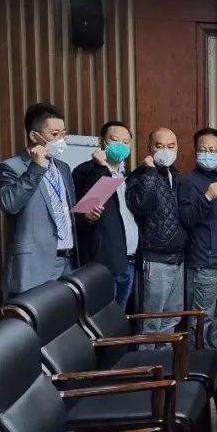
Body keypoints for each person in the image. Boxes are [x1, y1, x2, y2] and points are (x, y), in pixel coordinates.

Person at [0, 103, 94, 295]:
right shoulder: (10, 167)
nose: (61, 140)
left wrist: (84, 215)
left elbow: (65, 211)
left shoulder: (63, 167)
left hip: (68, 261)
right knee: (33, 314)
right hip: (33, 265)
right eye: (54, 134)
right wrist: (36, 167)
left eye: (63, 134)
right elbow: (9, 204)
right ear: (34, 136)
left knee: (66, 313)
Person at [178, 127, 217, 353]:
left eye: (213, 150)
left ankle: (213, 361)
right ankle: (196, 365)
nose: (208, 154)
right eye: (203, 150)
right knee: (201, 319)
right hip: (204, 263)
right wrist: (207, 197)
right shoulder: (189, 181)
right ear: (196, 153)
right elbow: (186, 218)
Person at [126, 127, 186, 345]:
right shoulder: (139, 176)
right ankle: (148, 363)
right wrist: (149, 172)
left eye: (171, 146)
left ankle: (165, 360)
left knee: (172, 317)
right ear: (150, 148)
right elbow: (141, 206)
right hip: (155, 259)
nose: (166, 151)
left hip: (178, 258)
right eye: (160, 146)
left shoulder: (177, 176)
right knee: (151, 321)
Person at [73, 121, 139, 309]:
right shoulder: (85, 171)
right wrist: (100, 166)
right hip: (103, 263)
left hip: (129, 260)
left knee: (119, 316)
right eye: (115, 140)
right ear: (102, 142)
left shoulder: (128, 176)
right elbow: (82, 215)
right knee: (100, 316)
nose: (121, 146)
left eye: (126, 142)